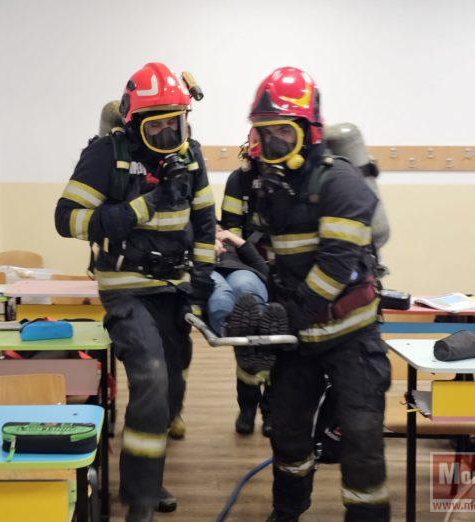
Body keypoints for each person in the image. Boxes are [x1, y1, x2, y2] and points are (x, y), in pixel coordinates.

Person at [55, 62, 216, 522]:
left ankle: (148, 477)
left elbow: (205, 221)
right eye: (156, 124)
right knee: (151, 377)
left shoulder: (191, 155)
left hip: (174, 288)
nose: (168, 132)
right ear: (134, 123)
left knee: (170, 388)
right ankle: (140, 502)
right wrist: (145, 205)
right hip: (125, 287)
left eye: (175, 122)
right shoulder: (106, 155)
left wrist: (201, 284)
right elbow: (67, 219)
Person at [245, 66, 391, 522]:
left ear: (308, 131)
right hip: (298, 339)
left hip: (350, 336)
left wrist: (289, 314)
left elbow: (335, 267)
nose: (273, 142)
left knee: (362, 435)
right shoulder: (267, 187)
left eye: (283, 132)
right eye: (265, 132)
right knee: (287, 432)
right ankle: (287, 510)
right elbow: (263, 253)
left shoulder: (340, 182)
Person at [206, 225, 283, 436]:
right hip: (208, 271)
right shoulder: (194, 242)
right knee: (219, 295)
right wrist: (203, 250)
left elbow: (263, 271)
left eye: (218, 228)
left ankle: (254, 323)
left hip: (243, 271)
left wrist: (237, 241)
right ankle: (234, 326)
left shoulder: (237, 249)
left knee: (246, 288)